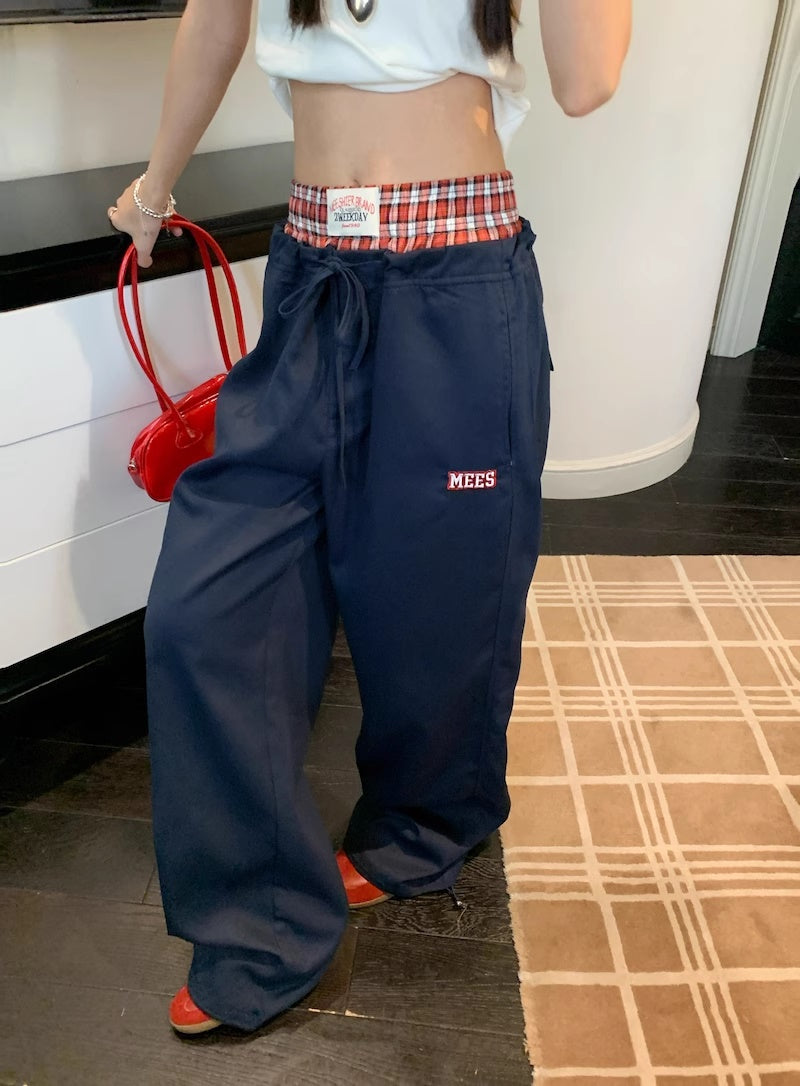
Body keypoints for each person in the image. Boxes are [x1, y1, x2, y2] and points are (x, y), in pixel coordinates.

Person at [108, 0, 631, 1036]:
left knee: (438, 596)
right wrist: (154, 186)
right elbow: (214, 19)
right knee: (206, 611)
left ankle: (423, 829)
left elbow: (587, 80)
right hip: (310, 273)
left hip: (454, 281)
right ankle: (259, 922)